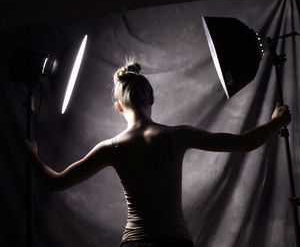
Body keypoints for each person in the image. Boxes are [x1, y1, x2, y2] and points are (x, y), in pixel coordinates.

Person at [25, 59, 291, 247]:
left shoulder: (112, 148)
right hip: (175, 242)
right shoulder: (177, 135)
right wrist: (275, 122)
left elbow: (54, 182)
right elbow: (242, 143)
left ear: (118, 107)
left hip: (136, 243)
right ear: (151, 98)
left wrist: (32, 155)